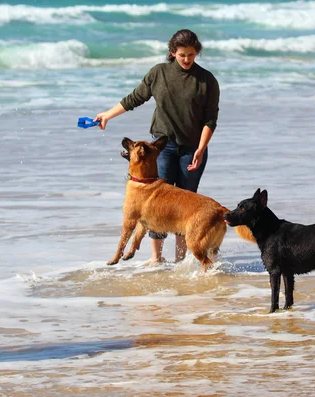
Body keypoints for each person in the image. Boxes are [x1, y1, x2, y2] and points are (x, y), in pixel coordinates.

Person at [94, 29, 220, 266]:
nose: (186, 59)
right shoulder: (159, 73)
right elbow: (135, 98)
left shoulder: (207, 80)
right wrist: (108, 115)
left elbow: (210, 119)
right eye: (182, 54)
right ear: (172, 52)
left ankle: (181, 260)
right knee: (156, 204)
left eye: (191, 55)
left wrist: (201, 149)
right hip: (160, 148)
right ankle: (156, 258)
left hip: (192, 149)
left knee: (185, 206)